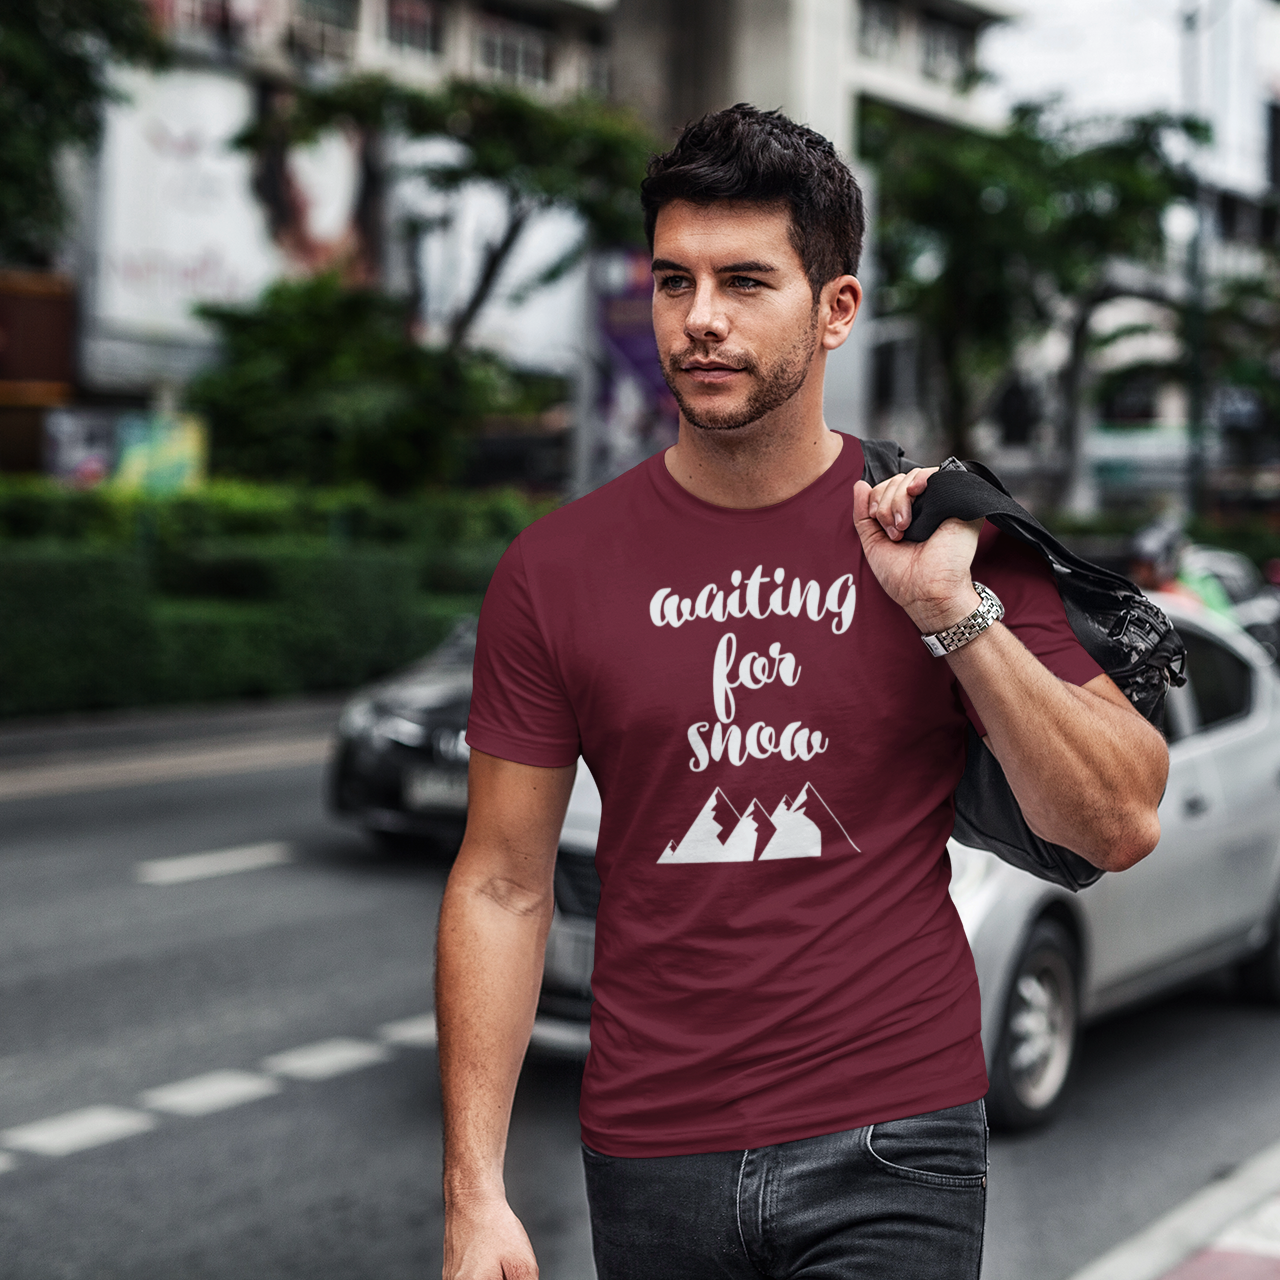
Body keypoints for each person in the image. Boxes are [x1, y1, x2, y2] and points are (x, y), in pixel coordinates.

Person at [437, 105, 1168, 1280]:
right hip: (649, 1143)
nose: (701, 320)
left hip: (893, 1131)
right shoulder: (554, 570)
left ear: (836, 308)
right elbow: (502, 881)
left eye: (743, 281)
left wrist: (947, 611)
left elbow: (1119, 816)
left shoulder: (942, 533)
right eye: (674, 281)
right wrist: (474, 1192)